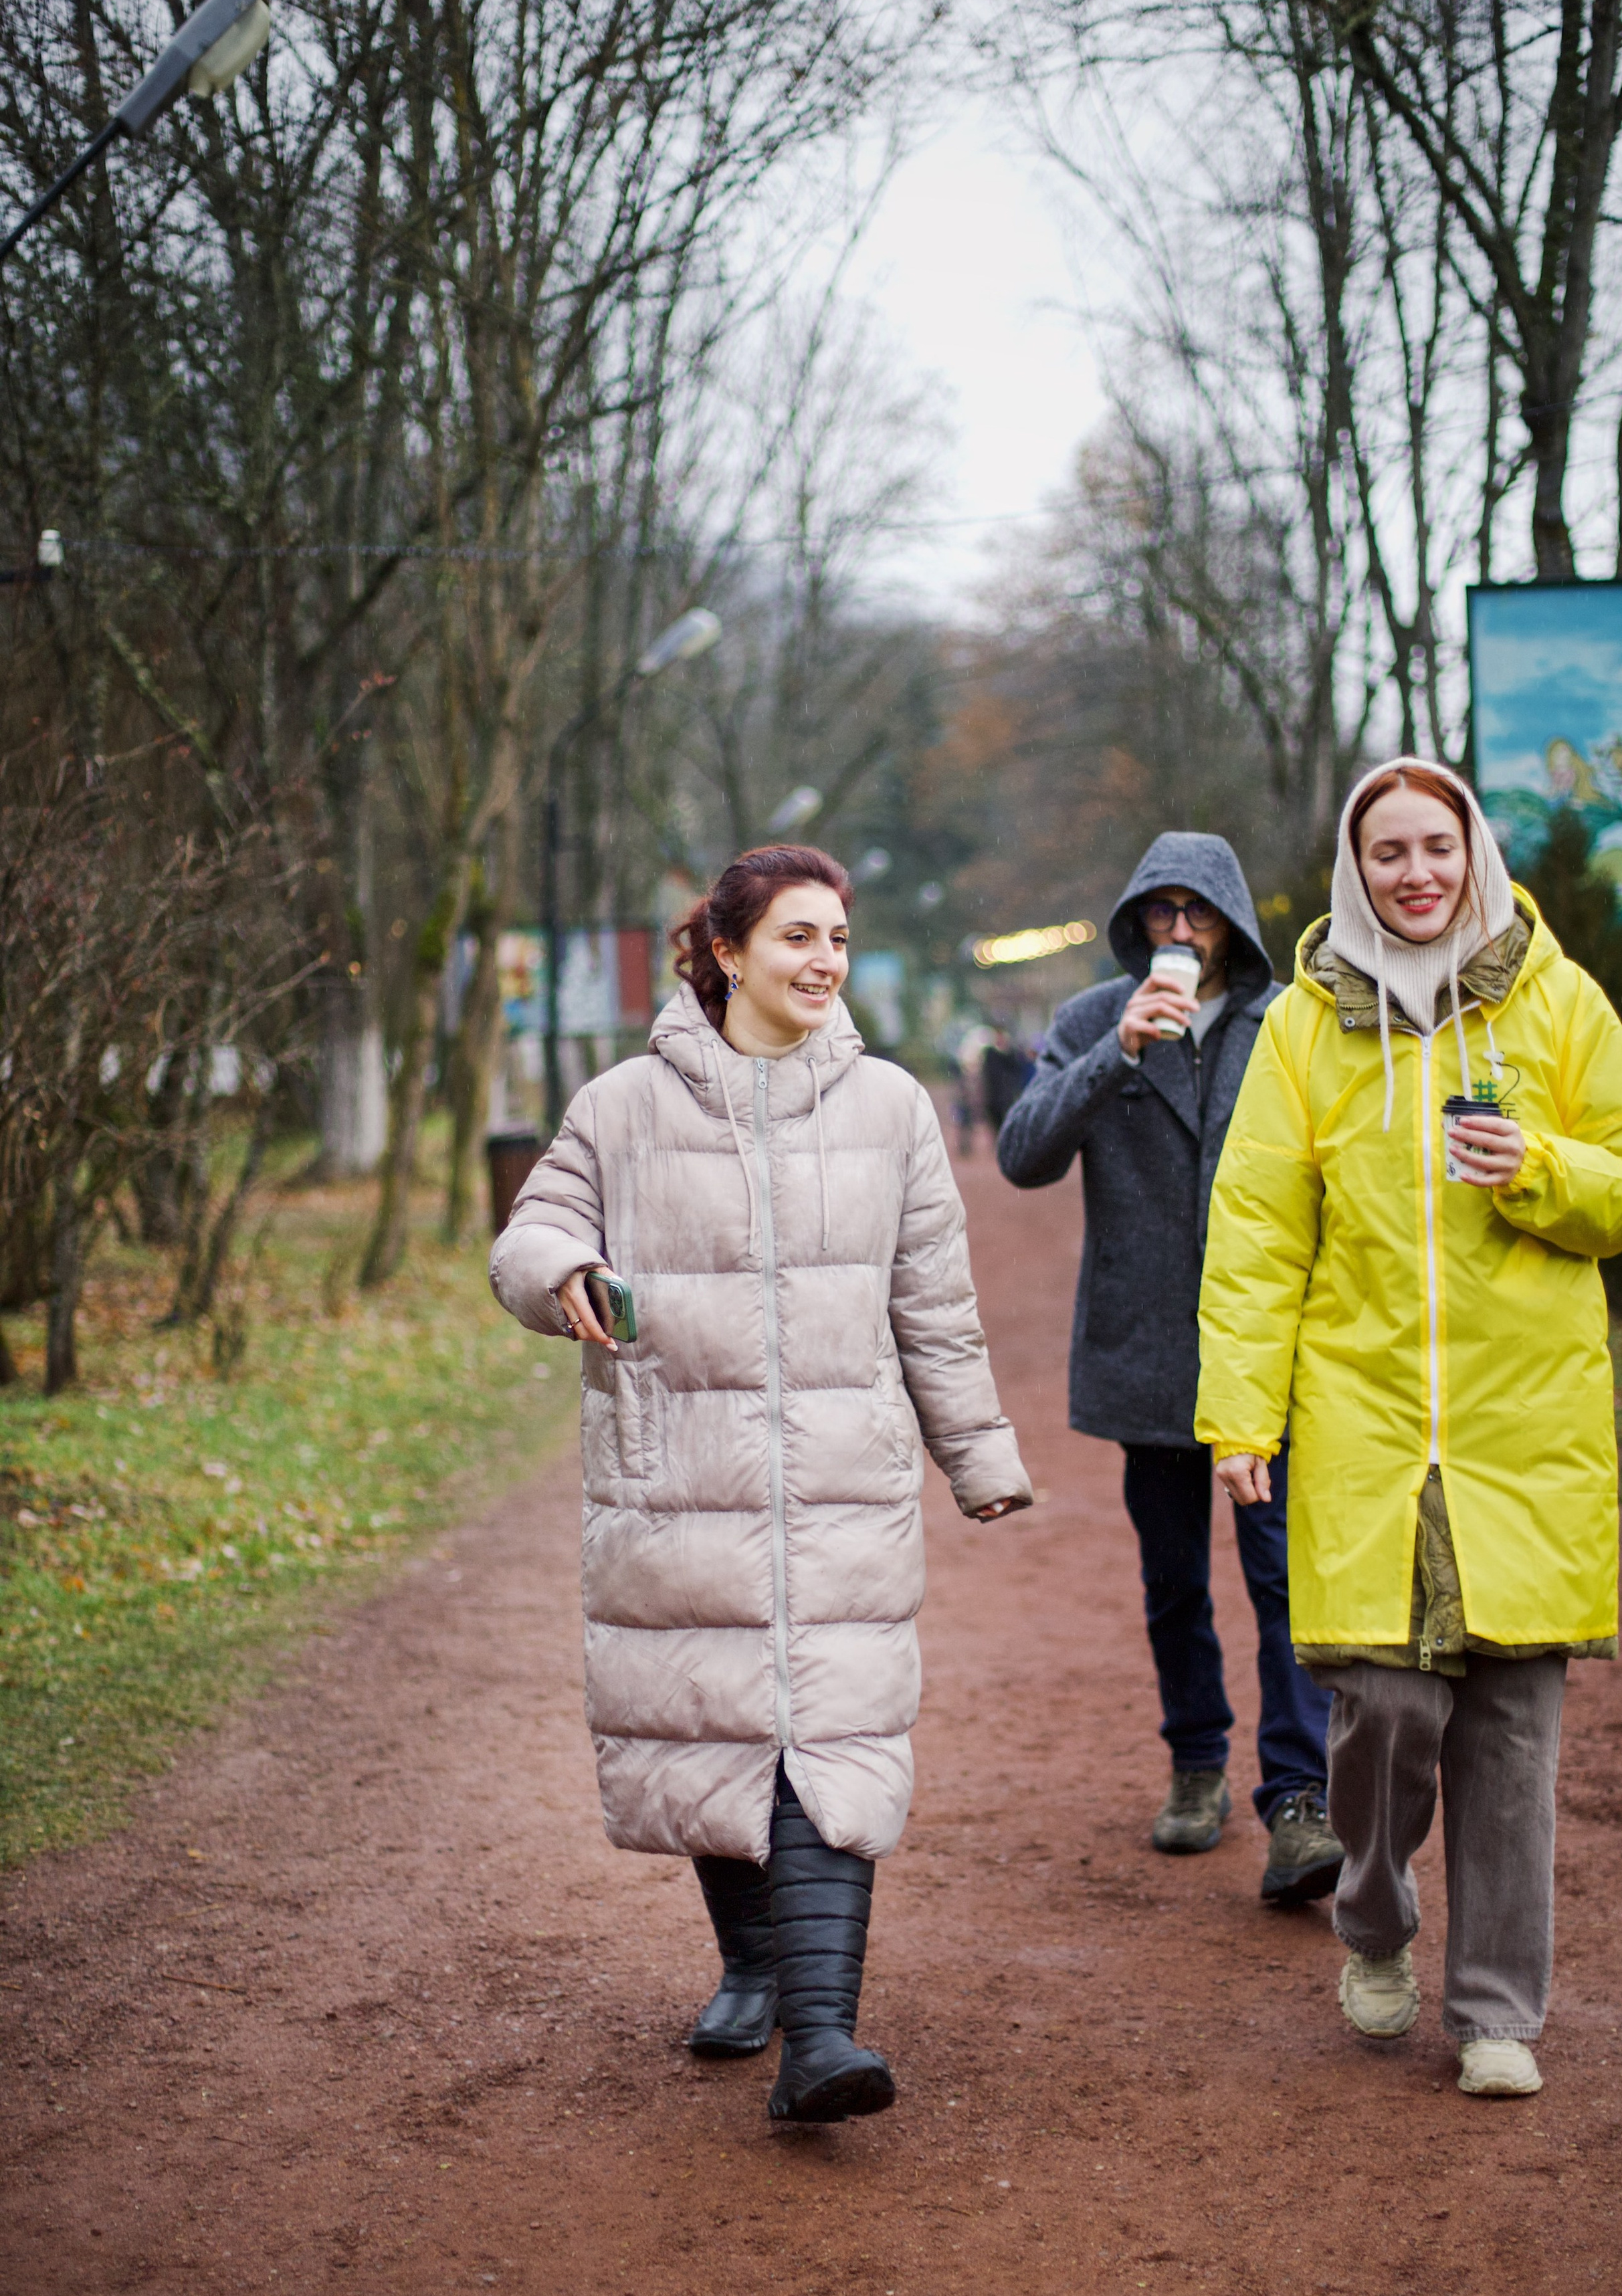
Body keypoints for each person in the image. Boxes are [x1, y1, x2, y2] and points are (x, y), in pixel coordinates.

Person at [488, 843, 1031, 2126]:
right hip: (677, 1473)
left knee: (829, 1732)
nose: (824, 960)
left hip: (843, 1481)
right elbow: (528, 1233)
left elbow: (934, 1306)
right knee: (716, 1722)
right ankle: (753, 1964)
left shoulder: (892, 1108)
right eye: (798, 936)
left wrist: (978, 1455)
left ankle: (822, 2038)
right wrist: (563, 1271)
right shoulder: (622, 1105)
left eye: (837, 937)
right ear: (727, 952)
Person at [1197, 758, 1622, 2095]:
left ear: (1474, 856)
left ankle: (1495, 2015)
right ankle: (1372, 1916)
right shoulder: (1305, 1028)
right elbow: (1255, 1237)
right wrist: (1240, 1418)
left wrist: (1539, 1165)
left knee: (1512, 1739)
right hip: (1363, 1422)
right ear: (1356, 872)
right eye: (1389, 852)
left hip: (1528, 1429)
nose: (1416, 873)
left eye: (1436, 847)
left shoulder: (1557, 1000)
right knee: (1385, 1711)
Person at [997, 834, 1341, 1906]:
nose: (1180, 931)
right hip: (1146, 1352)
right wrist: (1119, 1052)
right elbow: (1022, 1154)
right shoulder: (1092, 1019)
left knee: (1285, 1580)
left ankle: (1300, 1796)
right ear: (1137, 919)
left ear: (1233, 920)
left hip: (1268, 1354)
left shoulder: (1290, 1020)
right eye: (1162, 911)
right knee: (1175, 1579)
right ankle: (1197, 1760)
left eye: (1199, 912)